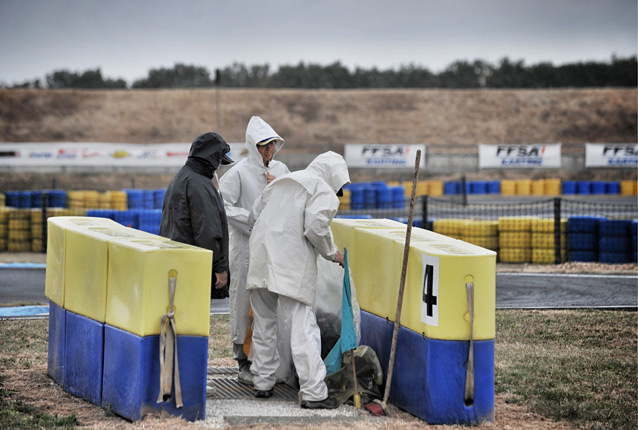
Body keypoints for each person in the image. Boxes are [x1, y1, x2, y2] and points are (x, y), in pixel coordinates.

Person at [246, 151, 350, 409]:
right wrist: (332, 253)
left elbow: (254, 213)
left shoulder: (284, 180)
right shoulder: (322, 189)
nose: (339, 192)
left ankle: (263, 382)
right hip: (289, 261)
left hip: (260, 253)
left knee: (264, 321)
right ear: (334, 177)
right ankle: (314, 392)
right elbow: (315, 225)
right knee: (302, 324)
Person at [219, 116, 290, 385]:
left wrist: (278, 184)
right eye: (263, 146)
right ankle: (242, 360)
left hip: (274, 250)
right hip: (246, 250)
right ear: (252, 146)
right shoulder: (237, 174)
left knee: (272, 305)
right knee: (243, 303)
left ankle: (269, 360)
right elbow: (223, 207)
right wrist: (253, 219)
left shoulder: (282, 170)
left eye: (271, 146)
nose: (268, 151)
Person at [160, 131, 233, 298]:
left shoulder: (180, 177)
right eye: (219, 161)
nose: (218, 167)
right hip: (197, 266)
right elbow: (206, 230)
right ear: (211, 158)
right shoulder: (199, 184)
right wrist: (219, 267)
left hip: (177, 263)